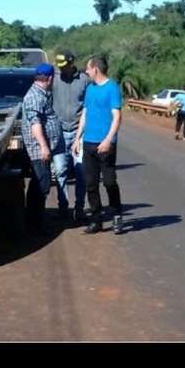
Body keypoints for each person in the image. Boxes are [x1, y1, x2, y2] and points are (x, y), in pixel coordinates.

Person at [72, 55, 124, 235]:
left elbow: (117, 117)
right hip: (89, 143)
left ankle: (117, 216)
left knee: (109, 182)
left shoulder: (112, 88)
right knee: (91, 184)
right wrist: (77, 137)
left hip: (106, 144)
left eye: (88, 68)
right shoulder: (90, 89)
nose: (86, 72)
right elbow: (85, 114)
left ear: (95, 69)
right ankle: (96, 220)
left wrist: (108, 139)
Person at [21, 62, 66, 234]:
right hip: (39, 150)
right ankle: (33, 224)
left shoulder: (42, 94)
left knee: (41, 185)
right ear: (49, 79)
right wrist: (44, 147)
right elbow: (35, 124)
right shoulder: (34, 97)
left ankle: (36, 222)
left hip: (44, 148)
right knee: (41, 185)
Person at [51, 48, 90, 222]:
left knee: (81, 172)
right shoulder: (54, 80)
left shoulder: (84, 80)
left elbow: (88, 108)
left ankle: (79, 207)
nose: (62, 69)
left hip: (78, 132)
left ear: (72, 62)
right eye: (60, 66)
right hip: (58, 132)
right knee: (60, 171)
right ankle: (63, 206)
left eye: (65, 65)